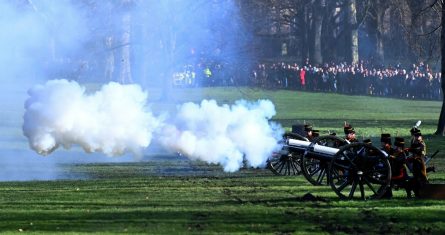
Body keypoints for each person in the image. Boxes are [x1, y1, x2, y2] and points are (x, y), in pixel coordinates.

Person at [408, 131, 428, 197]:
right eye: (416, 136)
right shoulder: (415, 142)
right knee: (415, 177)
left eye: (418, 136)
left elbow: (422, 153)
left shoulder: (422, 144)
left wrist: (416, 155)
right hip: (415, 161)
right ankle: (417, 192)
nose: (417, 138)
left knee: (421, 177)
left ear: (421, 137)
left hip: (421, 161)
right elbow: (412, 148)